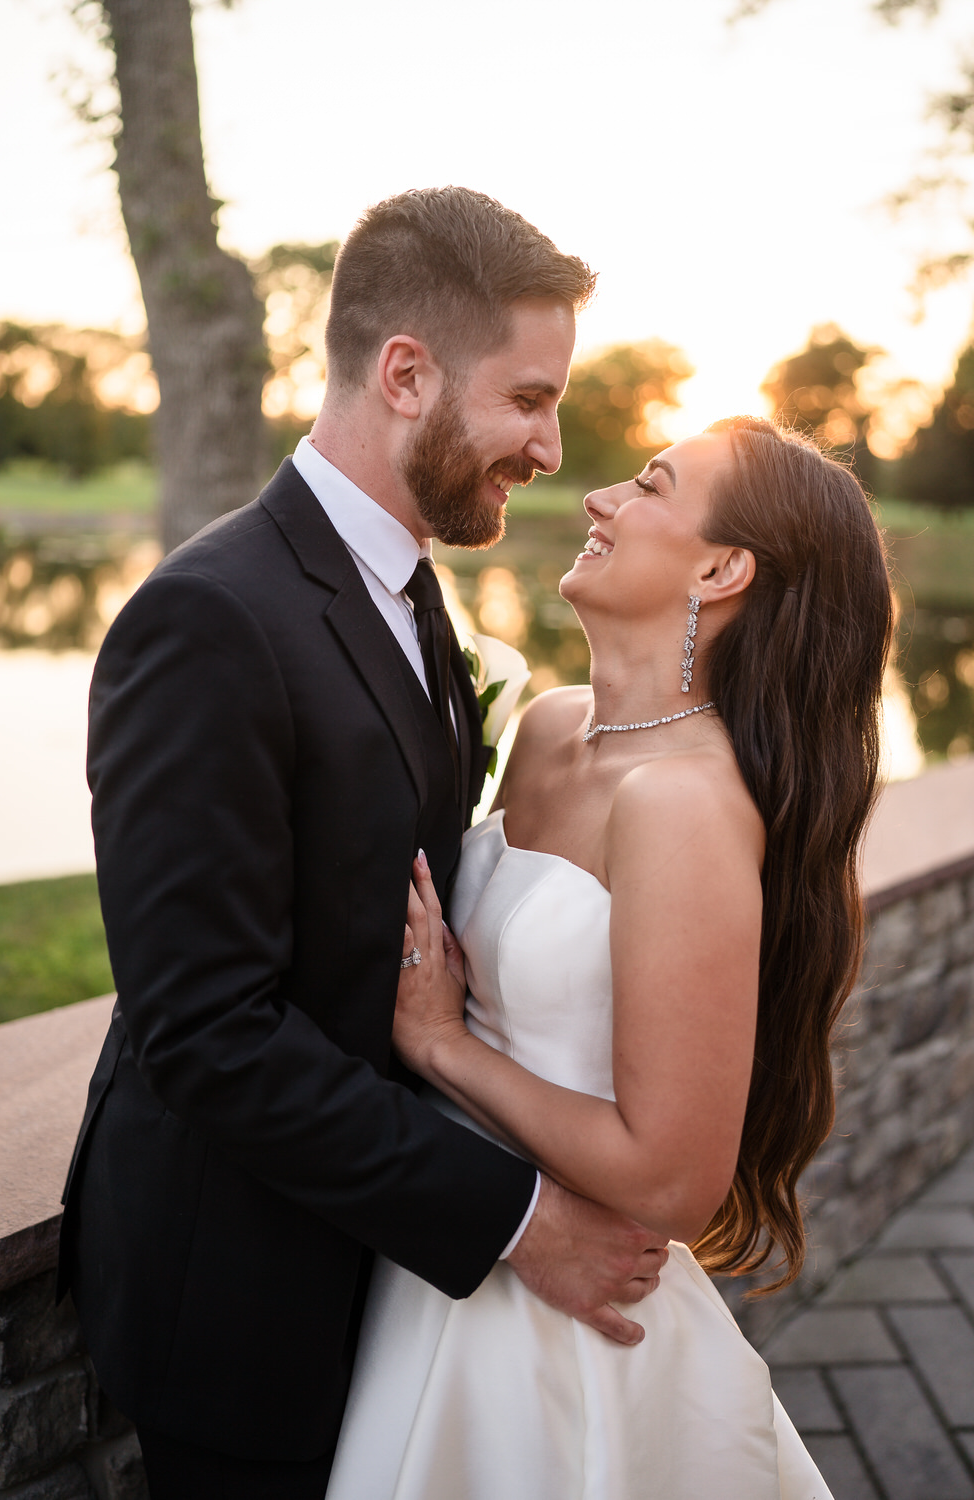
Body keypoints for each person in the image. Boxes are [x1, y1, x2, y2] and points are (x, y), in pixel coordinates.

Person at [55, 187, 670, 1500]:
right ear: (405, 373)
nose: (551, 447)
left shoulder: (412, 595)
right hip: (237, 1296)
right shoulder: (209, 624)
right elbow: (210, 1031)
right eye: (528, 399)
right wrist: (515, 1220)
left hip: (375, 1277)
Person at [324, 417, 894, 1499]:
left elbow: (676, 1181)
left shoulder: (685, 804)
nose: (596, 498)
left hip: (558, 1326)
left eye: (649, 485)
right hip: (435, 1257)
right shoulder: (545, 727)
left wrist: (444, 1048)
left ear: (721, 568)